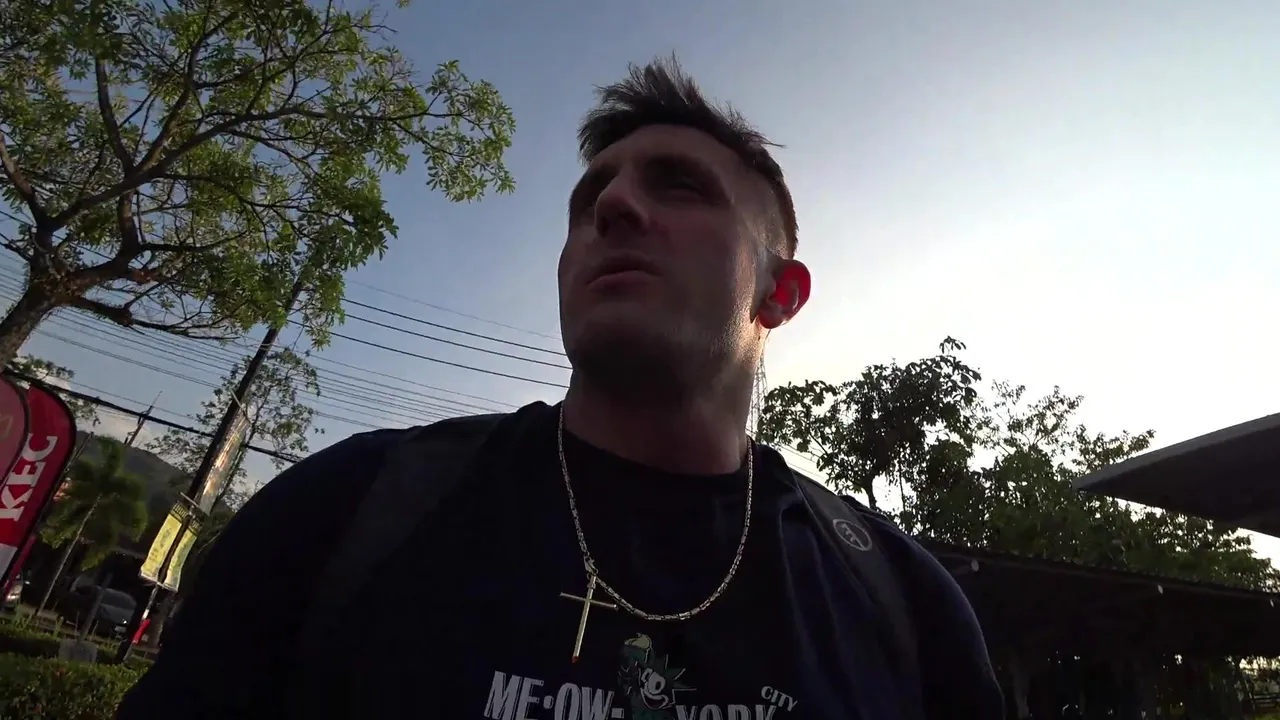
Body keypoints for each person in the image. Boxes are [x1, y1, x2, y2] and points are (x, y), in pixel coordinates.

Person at [116, 57, 1003, 719]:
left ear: (781, 293)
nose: (612, 208)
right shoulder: (344, 511)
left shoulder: (904, 606)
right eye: (589, 201)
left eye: (681, 188)